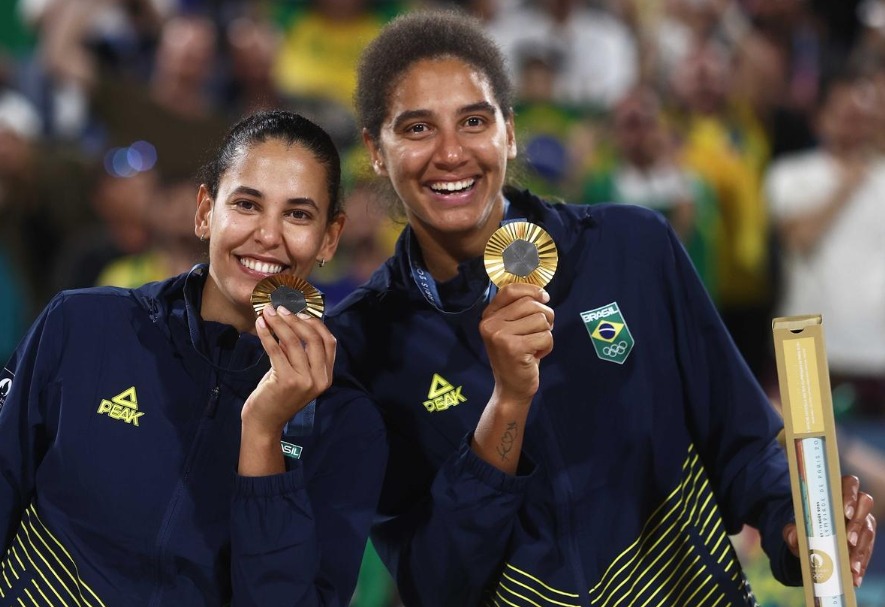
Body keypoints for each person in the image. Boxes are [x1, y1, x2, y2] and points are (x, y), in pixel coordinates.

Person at [325, 10, 876, 606]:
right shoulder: (362, 346)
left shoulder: (633, 248)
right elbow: (436, 584)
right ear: (376, 151)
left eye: (474, 120)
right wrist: (506, 405)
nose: (451, 152)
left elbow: (741, 444)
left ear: (509, 131)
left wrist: (793, 525)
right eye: (416, 129)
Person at [0, 110, 387, 605]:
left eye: (298, 214)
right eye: (247, 204)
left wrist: (265, 435)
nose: (268, 235)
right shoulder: (82, 325)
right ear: (205, 211)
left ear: (330, 237)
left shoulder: (347, 424)